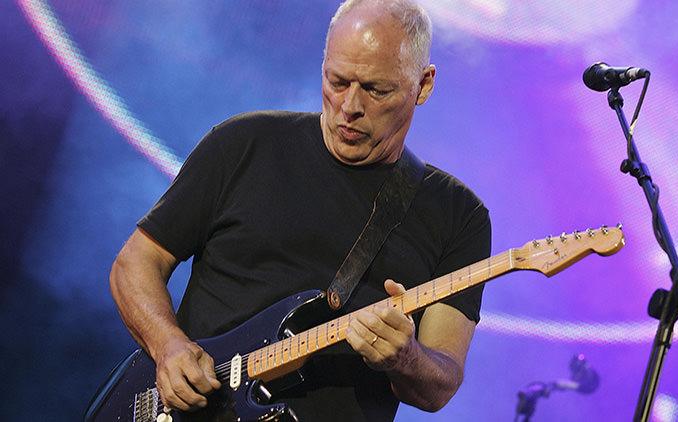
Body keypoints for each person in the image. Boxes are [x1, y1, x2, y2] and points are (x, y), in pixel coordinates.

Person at [109, 0, 491, 420]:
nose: (349, 107)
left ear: (424, 85)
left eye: (376, 90)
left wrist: (407, 358)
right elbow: (135, 264)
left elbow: (440, 384)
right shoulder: (243, 144)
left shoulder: (459, 215)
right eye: (337, 80)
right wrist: (168, 347)